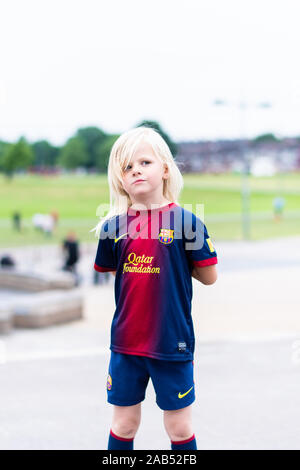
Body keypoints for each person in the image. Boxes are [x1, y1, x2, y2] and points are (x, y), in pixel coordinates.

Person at [91, 127, 218, 451]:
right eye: (127, 167)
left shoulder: (187, 222)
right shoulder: (112, 227)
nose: (135, 170)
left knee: (178, 427)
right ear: (120, 179)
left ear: (164, 169)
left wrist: (175, 258)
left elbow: (209, 276)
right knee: (123, 424)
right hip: (126, 343)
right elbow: (115, 272)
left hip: (170, 343)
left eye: (144, 162)